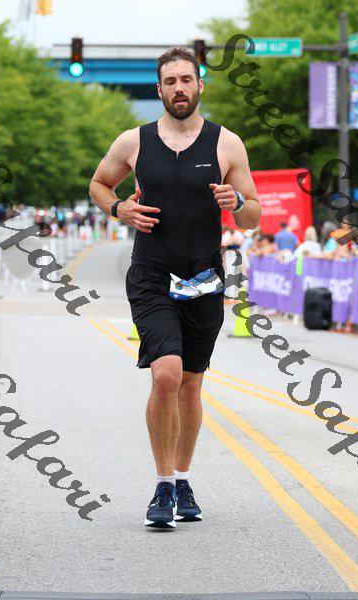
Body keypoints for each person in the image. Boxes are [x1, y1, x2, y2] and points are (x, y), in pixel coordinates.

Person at [89, 46, 261, 530]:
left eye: (187, 79)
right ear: (159, 89)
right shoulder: (134, 141)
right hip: (151, 276)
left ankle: (183, 479)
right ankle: (163, 484)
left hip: (203, 278)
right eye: (171, 81)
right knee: (166, 374)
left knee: (190, 384)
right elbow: (99, 184)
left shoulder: (227, 144)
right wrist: (118, 208)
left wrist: (236, 201)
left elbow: (253, 214)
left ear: (200, 85)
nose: (179, 88)